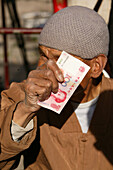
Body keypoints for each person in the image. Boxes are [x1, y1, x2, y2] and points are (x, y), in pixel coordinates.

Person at [0, 5, 113, 170]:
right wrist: (24, 111)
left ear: (96, 66)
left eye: (60, 59)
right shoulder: (23, 95)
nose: (46, 67)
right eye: (42, 55)